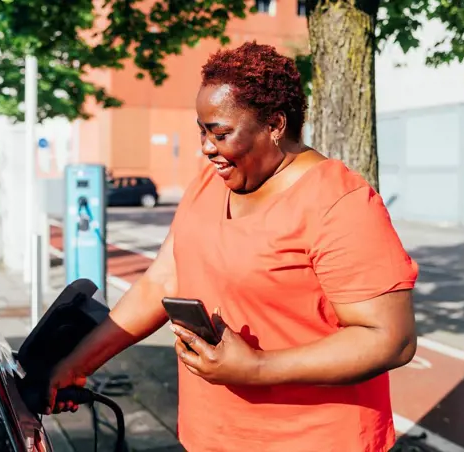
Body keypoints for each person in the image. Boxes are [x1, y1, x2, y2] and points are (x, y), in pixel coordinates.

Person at [47, 41, 419, 451]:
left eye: (220, 133)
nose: (206, 147)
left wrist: (258, 368)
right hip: (210, 437)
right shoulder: (211, 183)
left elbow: (391, 338)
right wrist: (76, 364)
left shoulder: (339, 204)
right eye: (202, 131)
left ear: (275, 125)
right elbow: (162, 281)